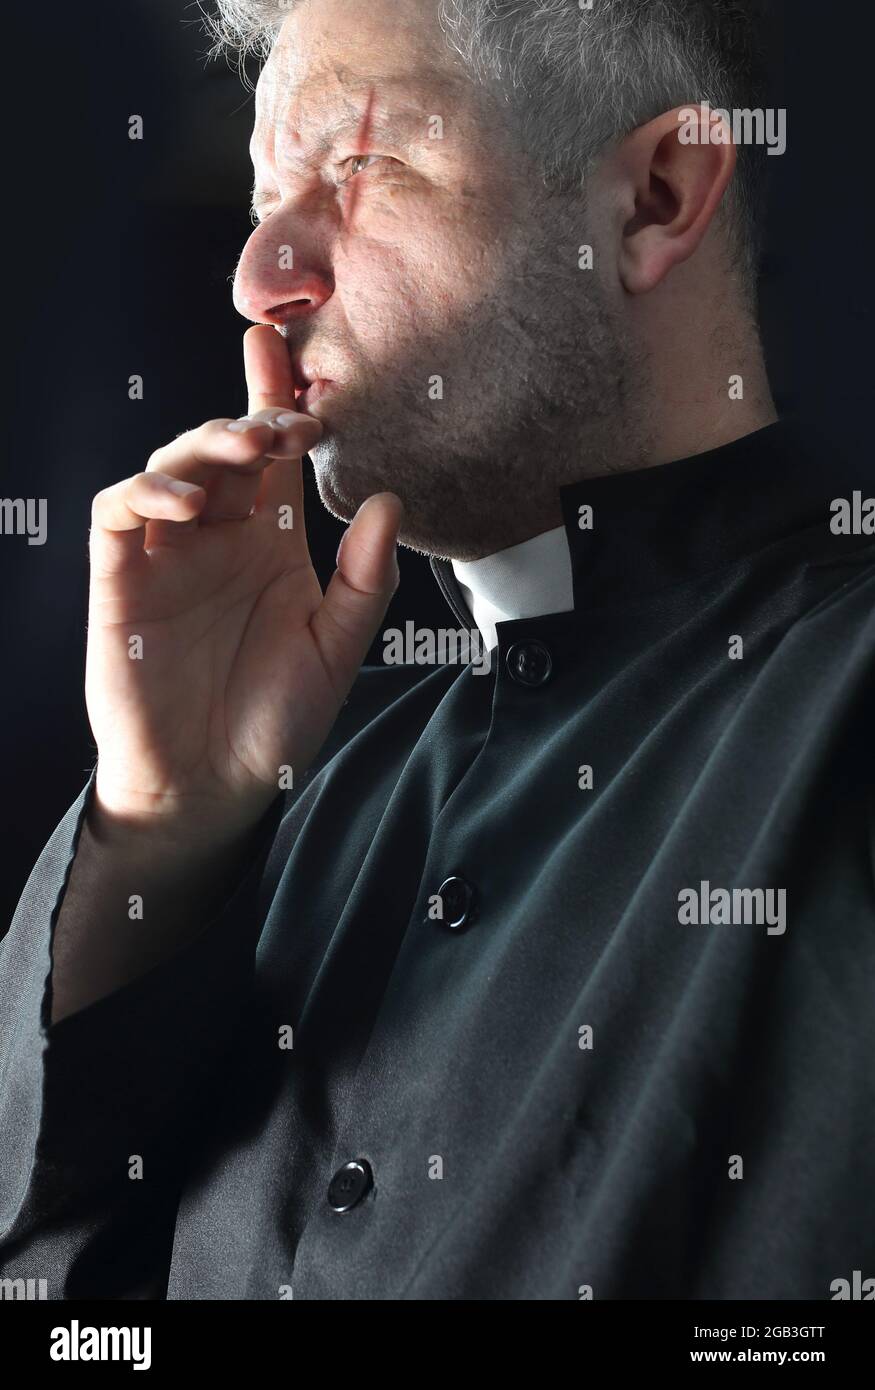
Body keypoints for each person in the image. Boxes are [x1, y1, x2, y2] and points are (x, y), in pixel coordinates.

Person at [1, 0, 872, 1300]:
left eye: (355, 168)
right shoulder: (295, 804)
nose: (255, 278)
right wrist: (162, 832)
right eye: (262, 194)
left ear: (654, 195)